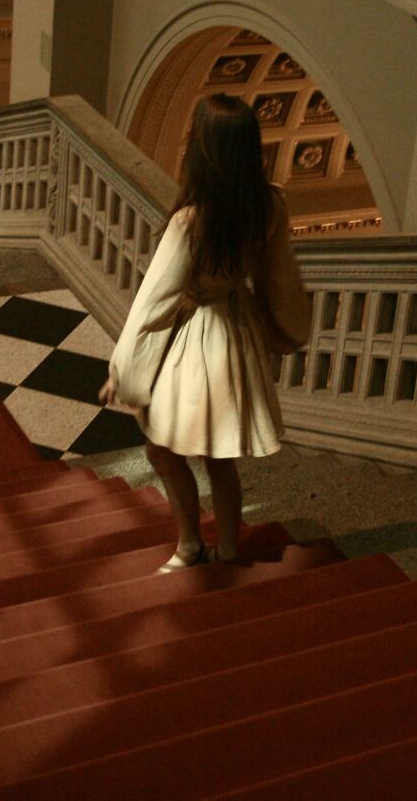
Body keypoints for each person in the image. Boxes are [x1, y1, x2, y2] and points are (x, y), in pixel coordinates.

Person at [98, 93, 310, 570]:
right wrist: (284, 331)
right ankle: (229, 550)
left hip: (196, 339)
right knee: (219, 456)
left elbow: (154, 305)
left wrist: (124, 372)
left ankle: (191, 545)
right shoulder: (270, 204)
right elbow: (279, 278)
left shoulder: (191, 222)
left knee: (162, 449)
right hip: (239, 333)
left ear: (204, 151)